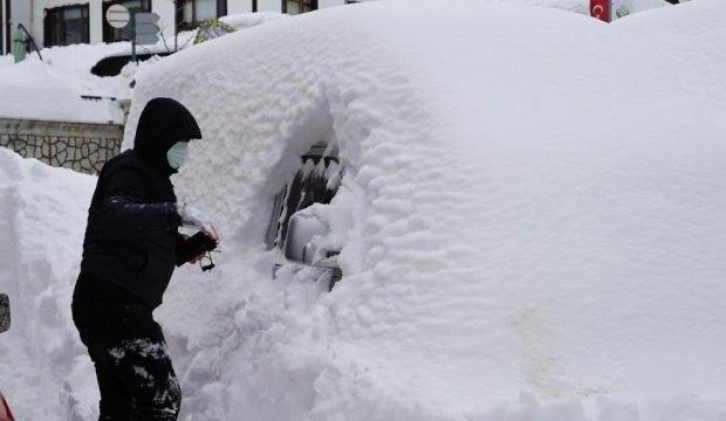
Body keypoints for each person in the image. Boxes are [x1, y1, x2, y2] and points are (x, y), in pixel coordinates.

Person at [72, 97, 220, 421]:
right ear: (160, 139)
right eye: (180, 143)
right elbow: (115, 213)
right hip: (113, 309)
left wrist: (187, 249)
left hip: (106, 307)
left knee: (122, 407)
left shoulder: (152, 179)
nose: (184, 152)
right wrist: (175, 212)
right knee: (161, 400)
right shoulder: (129, 173)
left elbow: (143, 243)